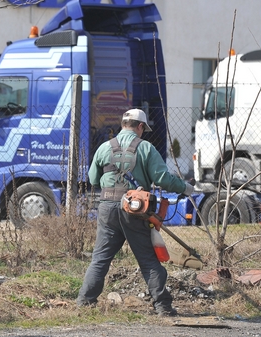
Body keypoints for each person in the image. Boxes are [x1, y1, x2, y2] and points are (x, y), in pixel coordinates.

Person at [77, 109, 194, 316]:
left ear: (123, 124)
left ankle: (85, 303)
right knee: (148, 259)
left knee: (100, 258)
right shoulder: (146, 148)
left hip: (107, 207)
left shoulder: (104, 147)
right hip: (135, 210)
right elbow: (162, 179)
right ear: (140, 126)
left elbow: (93, 179)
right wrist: (185, 188)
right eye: (143, 129)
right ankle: (163, 307)